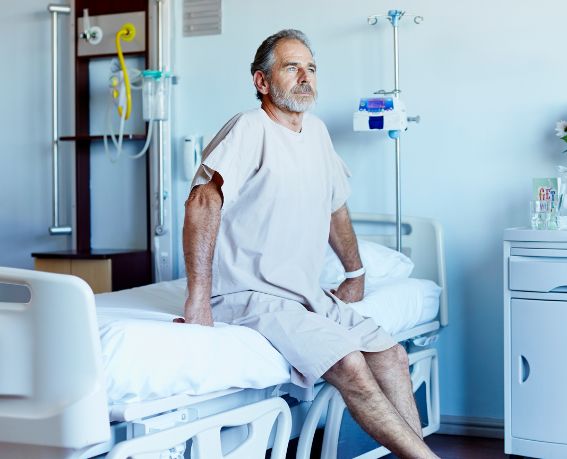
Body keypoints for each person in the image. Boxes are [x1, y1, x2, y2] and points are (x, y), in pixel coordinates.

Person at [179, 29, 438, 458]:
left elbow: (335, 207)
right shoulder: (250, 127)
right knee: (350, 363)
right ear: (262, 82)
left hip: (304, 293)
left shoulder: (316, 133)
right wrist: (198, 299)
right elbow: (202, 201)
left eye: (311, 68)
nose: (305, 77)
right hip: (250, 294)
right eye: (291, 67)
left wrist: (355, 273)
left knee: (391, 355)